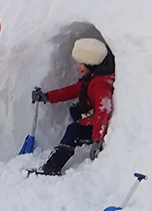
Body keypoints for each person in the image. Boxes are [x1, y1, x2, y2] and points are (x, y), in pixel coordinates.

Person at [31, 38, 115, 175]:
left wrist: (98, 139)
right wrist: (47, 97)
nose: (77, 66)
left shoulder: (101, 84)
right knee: (75, 109)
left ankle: (52, 166)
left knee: (73, 129)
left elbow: (104, 110)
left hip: (104, 128)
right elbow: (72, 91)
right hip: (97, 123)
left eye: (80, 63)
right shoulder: (92, 78)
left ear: (91, 63)